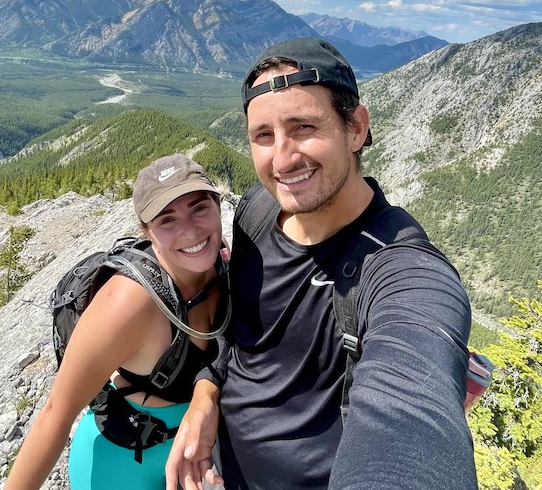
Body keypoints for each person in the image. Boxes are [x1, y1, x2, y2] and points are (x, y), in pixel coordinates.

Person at [165, 38, 477, 489]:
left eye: (304, 127)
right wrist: (205, 394)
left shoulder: (398, 267)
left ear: (355, 128)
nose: (283, 158)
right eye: (263, 136)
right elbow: (245, 335)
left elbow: (409, 411)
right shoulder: (256, 210)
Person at [5, 154, 229, 490]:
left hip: (192, 459)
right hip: (120, 467)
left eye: (199, 208)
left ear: (217, 204)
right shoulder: (129, 302)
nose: (190, 230)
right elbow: (55, 415)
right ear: (146, 230)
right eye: (167, 220)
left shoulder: (221, 264)